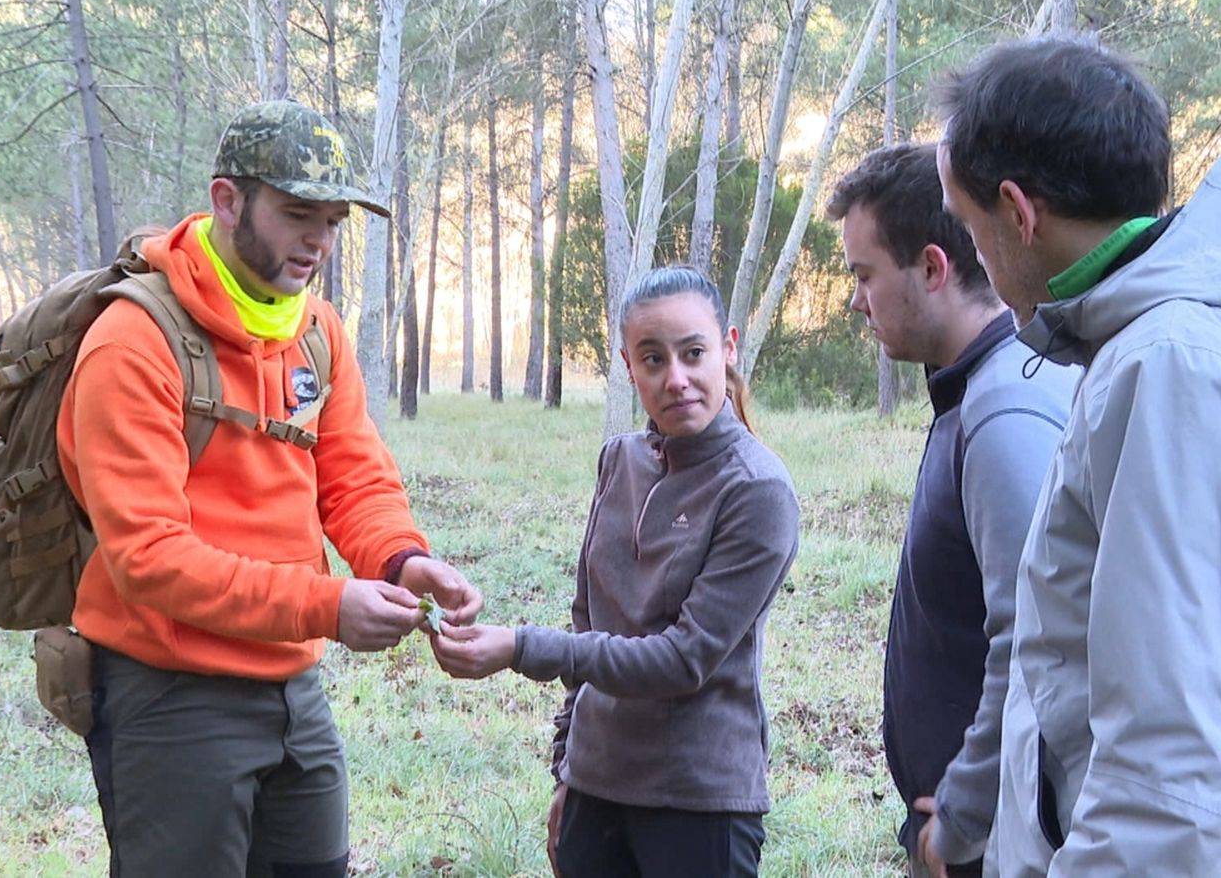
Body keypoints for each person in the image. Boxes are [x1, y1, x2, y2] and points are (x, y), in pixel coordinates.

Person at [932, 38, 1221, 875]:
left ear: (1019, 214)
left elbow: (1173, 777)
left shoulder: (1177, 367)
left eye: (970, 225)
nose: (978, 256)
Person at [56, 99, 483, 877]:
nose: (319, 242)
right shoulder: (132, 343)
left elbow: (354, 479)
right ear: (227, 200)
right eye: (297, 215)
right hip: (168, 692)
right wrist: (325, 605)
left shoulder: (315, 329)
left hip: (292, 686)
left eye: (333, 222)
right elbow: (148, 558)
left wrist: (400, 561)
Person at [429, 266, 800, 878]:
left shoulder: (757, 490)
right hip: (596, 790)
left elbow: (683, 660)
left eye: (694, 353)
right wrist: (568, 772)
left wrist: (520, 648)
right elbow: (590, 616)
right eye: (653, 359)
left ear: (728, 349)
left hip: (698, 799)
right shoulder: (619, 461)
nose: (675, 379)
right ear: (630, 367)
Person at [825, 144, 1078, 878]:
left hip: (990, 841)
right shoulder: (972, 396)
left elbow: (1034, 639)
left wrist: (964, 819)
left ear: (933, 269)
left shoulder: (1004, 410)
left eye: (864, 275)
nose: (855, 299)